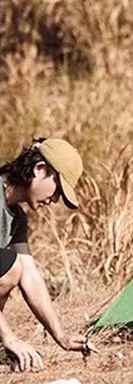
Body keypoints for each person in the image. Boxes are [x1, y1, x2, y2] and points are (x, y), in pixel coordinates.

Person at [0, 137, 93, 371]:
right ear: (40, 169)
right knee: (11, 268)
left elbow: (30, 276)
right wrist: (9, 337)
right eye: (58, 189)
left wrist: (61, 337)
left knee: (15, 267)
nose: (55, 200)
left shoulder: (16, 218)